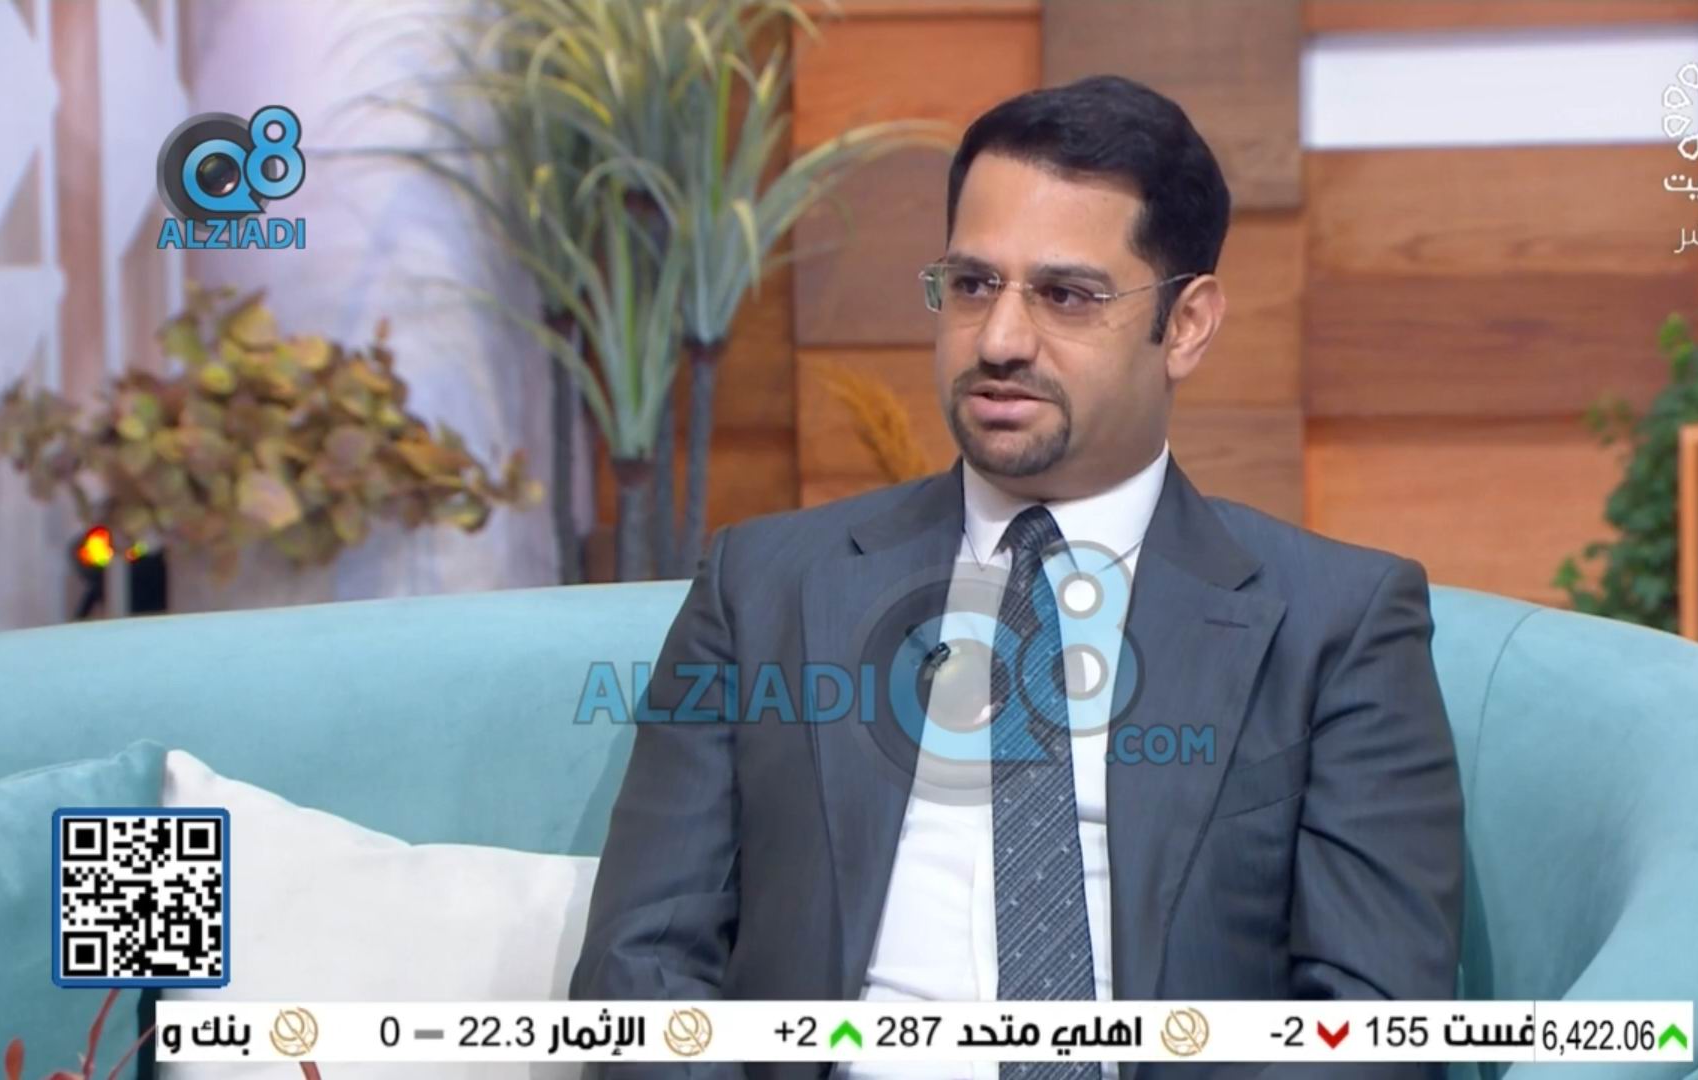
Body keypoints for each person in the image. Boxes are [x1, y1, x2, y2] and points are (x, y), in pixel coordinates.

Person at [570, 74, 1464, 1080]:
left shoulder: (1339, 623)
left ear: (1187, 324)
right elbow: (640, 969)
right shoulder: (762, 586)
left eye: (1066, 295)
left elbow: (1379, 1023)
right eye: (971, 284)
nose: (999, 340)